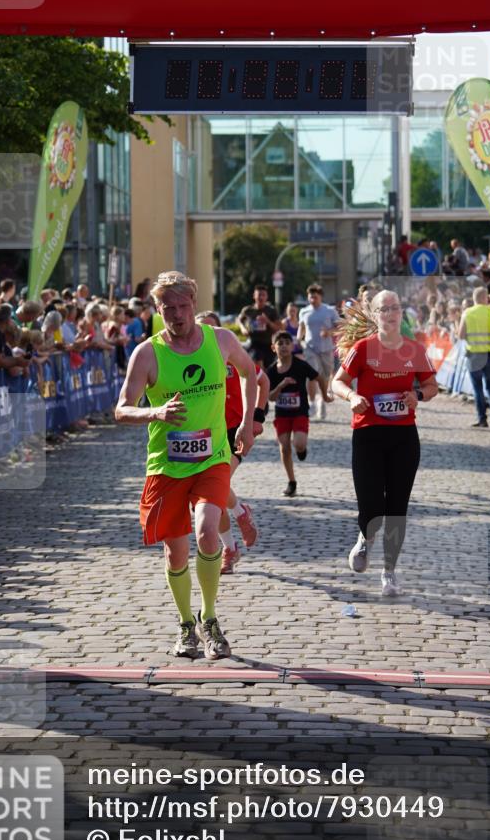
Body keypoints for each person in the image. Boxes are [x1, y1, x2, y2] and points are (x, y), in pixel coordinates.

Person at [115, 271, 255, 660]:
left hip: (211, 459)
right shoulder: (147, 353)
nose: (177, 314)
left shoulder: (220, 339)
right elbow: (121, 409)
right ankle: (185, 625)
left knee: (208, 531)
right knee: (176, 554)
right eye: (168, 308)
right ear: (157, 310)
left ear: (194, 304)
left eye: (183, 306)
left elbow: (249, 373)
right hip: (167, 465)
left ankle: (210, 618)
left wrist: (245, 421)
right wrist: (155, 411)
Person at [333, 291, 438, 597]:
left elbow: (432, 385)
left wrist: (417, 395)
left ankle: (389, 572)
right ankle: (365, 538)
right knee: (371, 503)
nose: (391, 314)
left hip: (404, 437)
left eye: (395, 308)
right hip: (367, 434)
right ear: (375, 315)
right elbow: (337, 381)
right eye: (384, 309)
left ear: (400, 313)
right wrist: (352, 396)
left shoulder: (415, 350)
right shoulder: (362, 349)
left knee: (396, 507)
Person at [196, 311, 268, 574]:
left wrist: (256, 418)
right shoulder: (191, 358)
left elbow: (262, 379)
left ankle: (234, 529)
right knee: (209, 495)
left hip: (232, 429)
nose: (206, 336)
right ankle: (234, 535)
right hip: (203, 431)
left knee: (218, 484)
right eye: (200, 330)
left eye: (212, 330)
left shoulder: (230, 353)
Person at [267, 329, 332, 497]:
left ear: (293, 346)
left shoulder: (300, 365)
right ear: (273, 348)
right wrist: (281, 385)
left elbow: (320, 378)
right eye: (280, 343)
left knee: (299, 443)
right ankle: (291, 482)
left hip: (300, 413)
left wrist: (324, 395)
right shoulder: (272, 371)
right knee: (284, 446)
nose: (284, 347)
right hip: (282, 414)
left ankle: (301, 449)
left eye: (287, 343)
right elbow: (271, 398)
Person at [458, 286, 490, 428]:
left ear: (474, 298)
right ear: (485, 297)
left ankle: (482, 419)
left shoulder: (467, 313)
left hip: (474, 355)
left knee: (478, 389)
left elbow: (461, 335)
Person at [297, 283, 338, 420]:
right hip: (310, 348)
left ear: (320, 297)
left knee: (325, 377)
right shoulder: (304, 311)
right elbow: (301, 327)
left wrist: (329, 332)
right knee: (312, 375)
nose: (312, 299)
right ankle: (312, 402)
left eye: (315, 297)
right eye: (310, 297)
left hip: (326, 349)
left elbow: (339, 327)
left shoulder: (329, 310)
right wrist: (298, 339)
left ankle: (322, 401)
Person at [237, 285, 281, 364]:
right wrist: (243, 329)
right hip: (254, 343)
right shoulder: (247, 310)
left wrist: (268, 321)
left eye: (263, 295)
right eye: (259, 295)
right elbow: (238, 320)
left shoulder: (271, 310)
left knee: (268, 369)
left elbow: (278, 328)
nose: (261, 297)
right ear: (254, 296)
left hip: (268, 344)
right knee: (258, 363)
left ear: (267, 297)